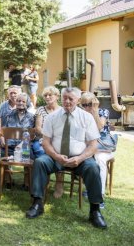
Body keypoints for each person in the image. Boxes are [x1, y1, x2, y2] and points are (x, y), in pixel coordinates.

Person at [25, 87, 106, 229]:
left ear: (78, 100)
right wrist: (56, 156)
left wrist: (80, 158)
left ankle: (95, 210)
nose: (67, 101)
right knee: (40, 162)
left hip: (79, 158)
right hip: (56, 156)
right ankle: (37, 203)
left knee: (93, 167)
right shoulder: (52, 117)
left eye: (71, 98)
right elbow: (45, 142)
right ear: (61, 98)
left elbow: (93, 146)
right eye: (65, 98)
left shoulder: (86, 118)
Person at [80, 92, 116, 209]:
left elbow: (100, 127)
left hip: (103, 147)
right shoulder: (82, 114)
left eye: (89, 104)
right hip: (90, 146)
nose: (86, 107)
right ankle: (89, 187)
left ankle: (99, 195)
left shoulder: (103, 111)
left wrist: (94, 111)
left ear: (95, 103)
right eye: (84, 105)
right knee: (83, 157)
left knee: (99, 160)